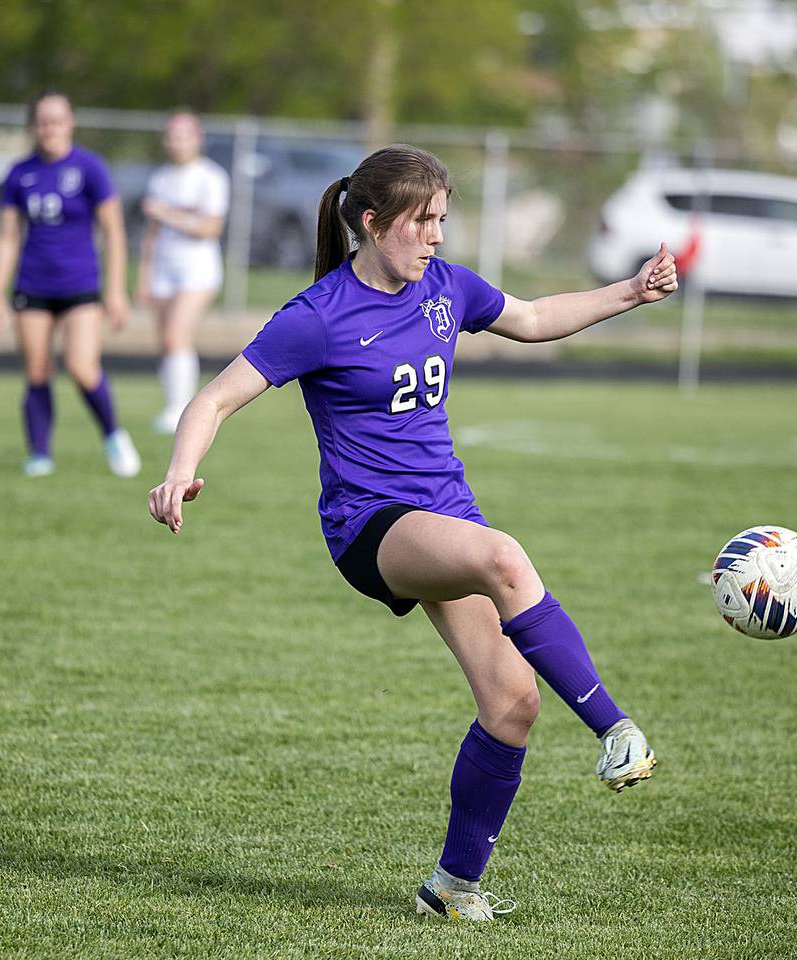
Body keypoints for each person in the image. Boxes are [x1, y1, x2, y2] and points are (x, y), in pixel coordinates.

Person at [148, 145, 678, 921]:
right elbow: (215, 399)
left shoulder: (445, 288)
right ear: (372, 222)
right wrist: (178, 470)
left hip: (443, 515)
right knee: (504, 556)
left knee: (512, 703)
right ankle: (616, 730)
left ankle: (452, 887)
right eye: (422, 221)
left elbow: (531, 318)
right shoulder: (317, 317)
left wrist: (631, 291)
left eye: (441, 220)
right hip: (370, 529)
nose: (436, 235)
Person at [0, 91, 140, 478]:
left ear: (70, 122)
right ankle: (39, 454)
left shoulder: (90, 168)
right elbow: (7, 237)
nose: (49, 128)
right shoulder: (20, 173)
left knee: (81, 367)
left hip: (80, 285)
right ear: (33, 126)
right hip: (32, 284)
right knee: (37, 371)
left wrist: (116, 290)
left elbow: (114, 233)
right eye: (42, 121)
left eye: (56, 120)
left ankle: (113, 435)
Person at [134, 111, 229, 434]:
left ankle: (181, 412)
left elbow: (210, 227)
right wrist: (143, 275)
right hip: (164, 268)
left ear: (197, 139)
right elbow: (151, 233)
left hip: (197, 270)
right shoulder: (160, 178)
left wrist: (168, 214)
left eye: (184, 136)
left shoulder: (210, 177)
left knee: (177, 336)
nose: (177, 144)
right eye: (172, 137)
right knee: (166, 342)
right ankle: (173, 404)